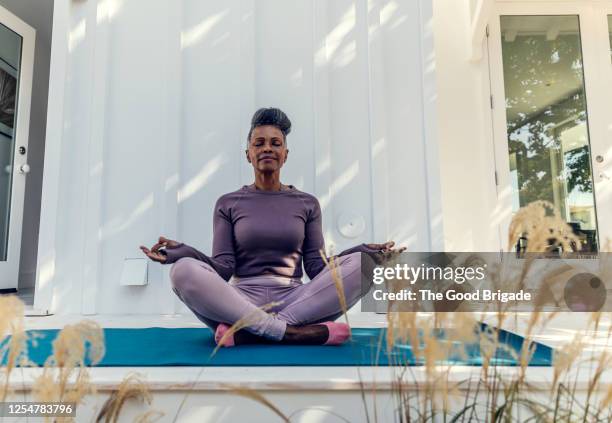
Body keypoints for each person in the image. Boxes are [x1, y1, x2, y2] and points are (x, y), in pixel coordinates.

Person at [140, 107, 405, 347]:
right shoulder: (228, 203)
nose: (267, 148)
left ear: (285, 155)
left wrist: (364, 251)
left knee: (364, 266)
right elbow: (222, 268)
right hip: (240, 301)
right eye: (259, 143)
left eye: (275, 143)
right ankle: (292, 333)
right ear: (248, 155)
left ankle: (251, 331)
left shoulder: (307, 203)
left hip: (297, 300)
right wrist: (180, 252)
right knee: (182, 271)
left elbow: (316, 267)